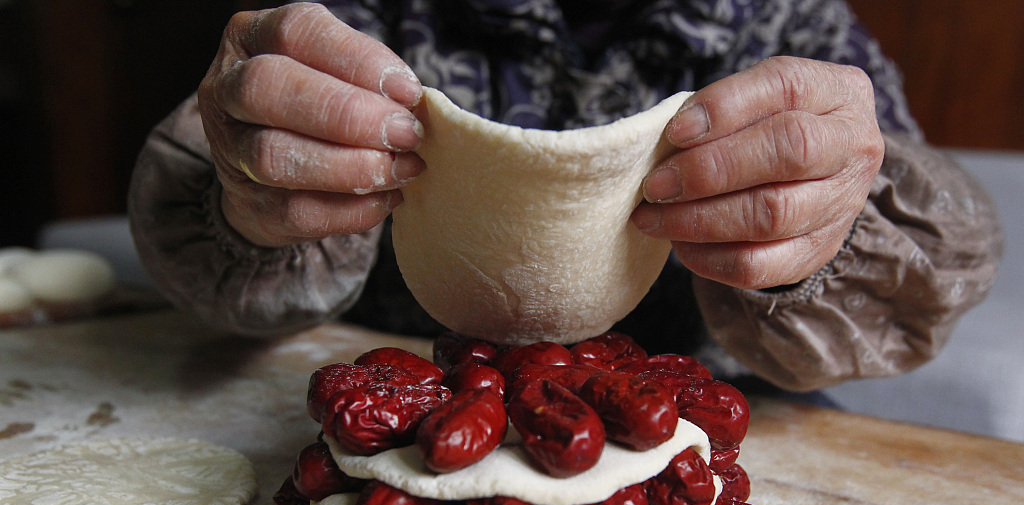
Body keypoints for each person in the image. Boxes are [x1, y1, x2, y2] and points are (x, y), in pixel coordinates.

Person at [128, 0, 1001, 393]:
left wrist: (824, 220)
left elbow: (923, 265)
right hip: (405, 415)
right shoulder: (362, 10)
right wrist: (248, 188)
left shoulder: (790, 21)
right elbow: (208, 220)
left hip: (700, 428)